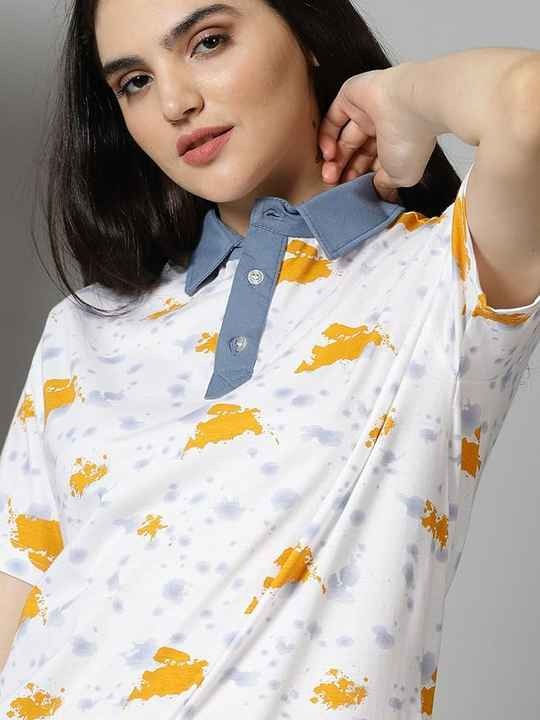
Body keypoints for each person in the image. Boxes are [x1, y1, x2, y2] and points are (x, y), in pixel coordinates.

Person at [1, 0, 539, 718]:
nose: (174, 102)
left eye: (208, 42)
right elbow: (16, 599)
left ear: (307, 32)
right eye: (135, 82)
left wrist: (401, 96)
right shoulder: (84, 330)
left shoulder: (442, 279)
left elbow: (528, 104)